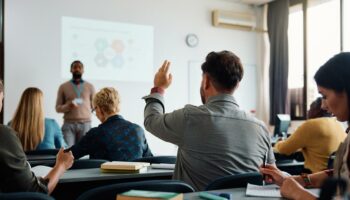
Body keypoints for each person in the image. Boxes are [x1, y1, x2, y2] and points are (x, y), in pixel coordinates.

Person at [143, 50, 275, 191]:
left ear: (206, 81)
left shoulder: (190, 118)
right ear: (237, 85)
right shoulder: (261, 128)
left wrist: (159, 88)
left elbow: (151, 120)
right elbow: (271, 175)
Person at [260, 52, 350, 200]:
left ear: (345, 90)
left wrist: (298, 193)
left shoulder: (312, 125)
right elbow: (338, 173)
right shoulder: (342, 128)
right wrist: (292, 180)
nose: (324, 106)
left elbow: (285, 149)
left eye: (325, 96)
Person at [0, 80, 74, 194]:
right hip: (44, 174)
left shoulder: (11, 125)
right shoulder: (52, 124)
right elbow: (64, 150)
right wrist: (62, 164)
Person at [70, 87, 152, 160]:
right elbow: (150, 160)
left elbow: (69, 156)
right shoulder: (138, 130)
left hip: (104, 177)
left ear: (99, 109)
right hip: (136, 177)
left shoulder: (96, 134)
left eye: (94, 110)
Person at [274, 97, 346, 173]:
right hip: (334, 175)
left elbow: (284, 149)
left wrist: (278, 142)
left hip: (315, 176)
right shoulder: (338, 123)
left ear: (314, 110)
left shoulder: (311, 124)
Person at [56, 60, 95, 146]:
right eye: (74, 67)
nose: (77, 69)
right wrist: (68, 106)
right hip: (69, 124)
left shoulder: (90, 86)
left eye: (79, 67)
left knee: (84, 153)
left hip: (85, 124)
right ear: (71, 70)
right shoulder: (63, 87)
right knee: (68, 151)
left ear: (83, 70)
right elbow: (58, 108)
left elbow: (94, 106)